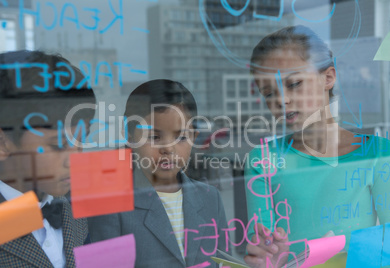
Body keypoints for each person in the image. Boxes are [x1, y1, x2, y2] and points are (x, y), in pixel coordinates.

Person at [243, 26, 390, 267]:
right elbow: (265, 252)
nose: (281, 100)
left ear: (328, 78)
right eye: (268, 93)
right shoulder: (262, 160)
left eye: (294, 84)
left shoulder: (379, 154)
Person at [88, 79, 230, 268]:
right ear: (130, 137)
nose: (168, 148)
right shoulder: (111, 206)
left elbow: (225, 262)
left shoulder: (211, 198)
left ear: (194, 138)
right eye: (154, 137)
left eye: (180, 137)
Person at [0, 50, 96, 268]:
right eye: (58, 145)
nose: (74, 159)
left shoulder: (76, 204)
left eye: (81, 140)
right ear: (3, 144)